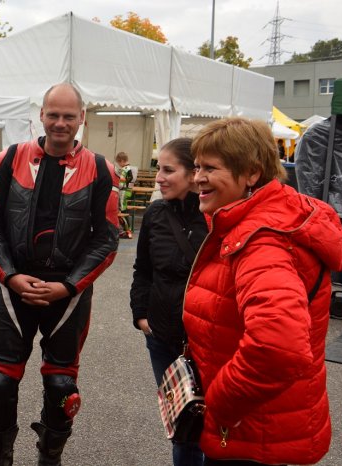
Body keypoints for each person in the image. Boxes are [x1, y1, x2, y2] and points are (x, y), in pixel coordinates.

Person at [183, 117, 342, 466]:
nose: (197, 177)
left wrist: (221, 405)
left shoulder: (262, 241)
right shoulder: (261, 221)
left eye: (210, 168)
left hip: (251, 430)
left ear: (252, 173)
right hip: (261, 423)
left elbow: (279, 348)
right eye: (197, 167)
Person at [0, 83, 119, 466]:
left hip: (67, 293)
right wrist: (10, 276)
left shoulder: (101, 169)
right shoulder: (9, 158)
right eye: (53, 115)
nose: (60, 123)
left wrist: (68, 286)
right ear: (40, 114)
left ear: (81, 118)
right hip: (14, 287)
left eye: (68, 116)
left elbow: (107, 240)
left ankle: (49, 459)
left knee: (61, 387)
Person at [130, 137, 207, 466]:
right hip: (162, 337)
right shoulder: (156, 213)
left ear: (193, 174)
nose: (159, 178)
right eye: (158, 169)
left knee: (214, 426)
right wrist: (141, 316)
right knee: (183, 425)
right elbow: (143, 270)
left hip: (207, 341)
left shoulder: (216, 215)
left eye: (168, 170)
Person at [114, 151, 134, 238]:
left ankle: (127, 230)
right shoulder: (130, 168)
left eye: (119, 163)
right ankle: (127, 229)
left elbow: (121, 184)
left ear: (122, 161)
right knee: (124, 210)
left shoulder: (124, 170)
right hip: (128, 191)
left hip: (123, 193)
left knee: (122, 211)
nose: (119, 165)